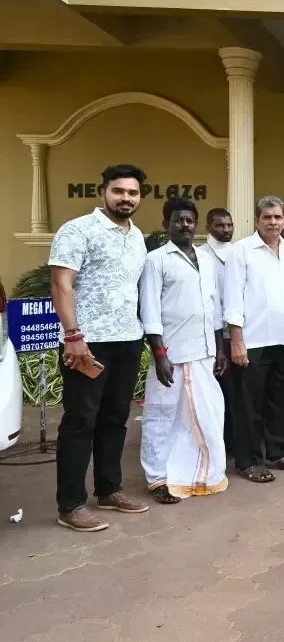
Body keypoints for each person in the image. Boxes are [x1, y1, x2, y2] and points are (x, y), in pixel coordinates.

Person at [49, 164, 151, 531]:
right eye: (118, 191)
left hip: (128, 340)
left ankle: (109, 490)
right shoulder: (77, 230)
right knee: (81, 421)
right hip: (88, 344)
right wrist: (73, 336)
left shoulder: (136, 236)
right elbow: (61, 284)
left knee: (115, 418)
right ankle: (71, 505)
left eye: (132, 192)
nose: (126, 198)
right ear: (103, 191)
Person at [139, 196, 228, 503]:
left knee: (208, 414)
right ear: (166, 224)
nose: (185, 225)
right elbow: (150, 311)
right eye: (178, 220)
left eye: (190, 220)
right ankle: (158, 479)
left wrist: (220, 348)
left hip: (204, 352)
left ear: (197, 224)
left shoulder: (206, 259)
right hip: (172, 355)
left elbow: (214, 309)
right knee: (162, 417)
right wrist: (160, 354)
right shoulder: (156, 260)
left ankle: (202, 473)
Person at [224, 196, 284, 483]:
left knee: (282, 401)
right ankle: (248, 461)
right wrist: (236, 340)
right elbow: (233, 298)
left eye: (278, 217)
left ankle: (278, 452)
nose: (273, 222)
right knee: (249, 405)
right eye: (267, 217)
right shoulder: (241, 251)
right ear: (257, 220)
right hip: (253, 340)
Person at [198, 207, 235, 447]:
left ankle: (231, 439)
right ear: (208, 227)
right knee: (213, 389)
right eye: (220, 225)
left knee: (235, 390)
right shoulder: (200, 255)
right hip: (210, 333)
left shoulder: (239, 252)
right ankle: (213, 439)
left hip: (236, 332)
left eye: (229, 225)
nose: (226, 229)